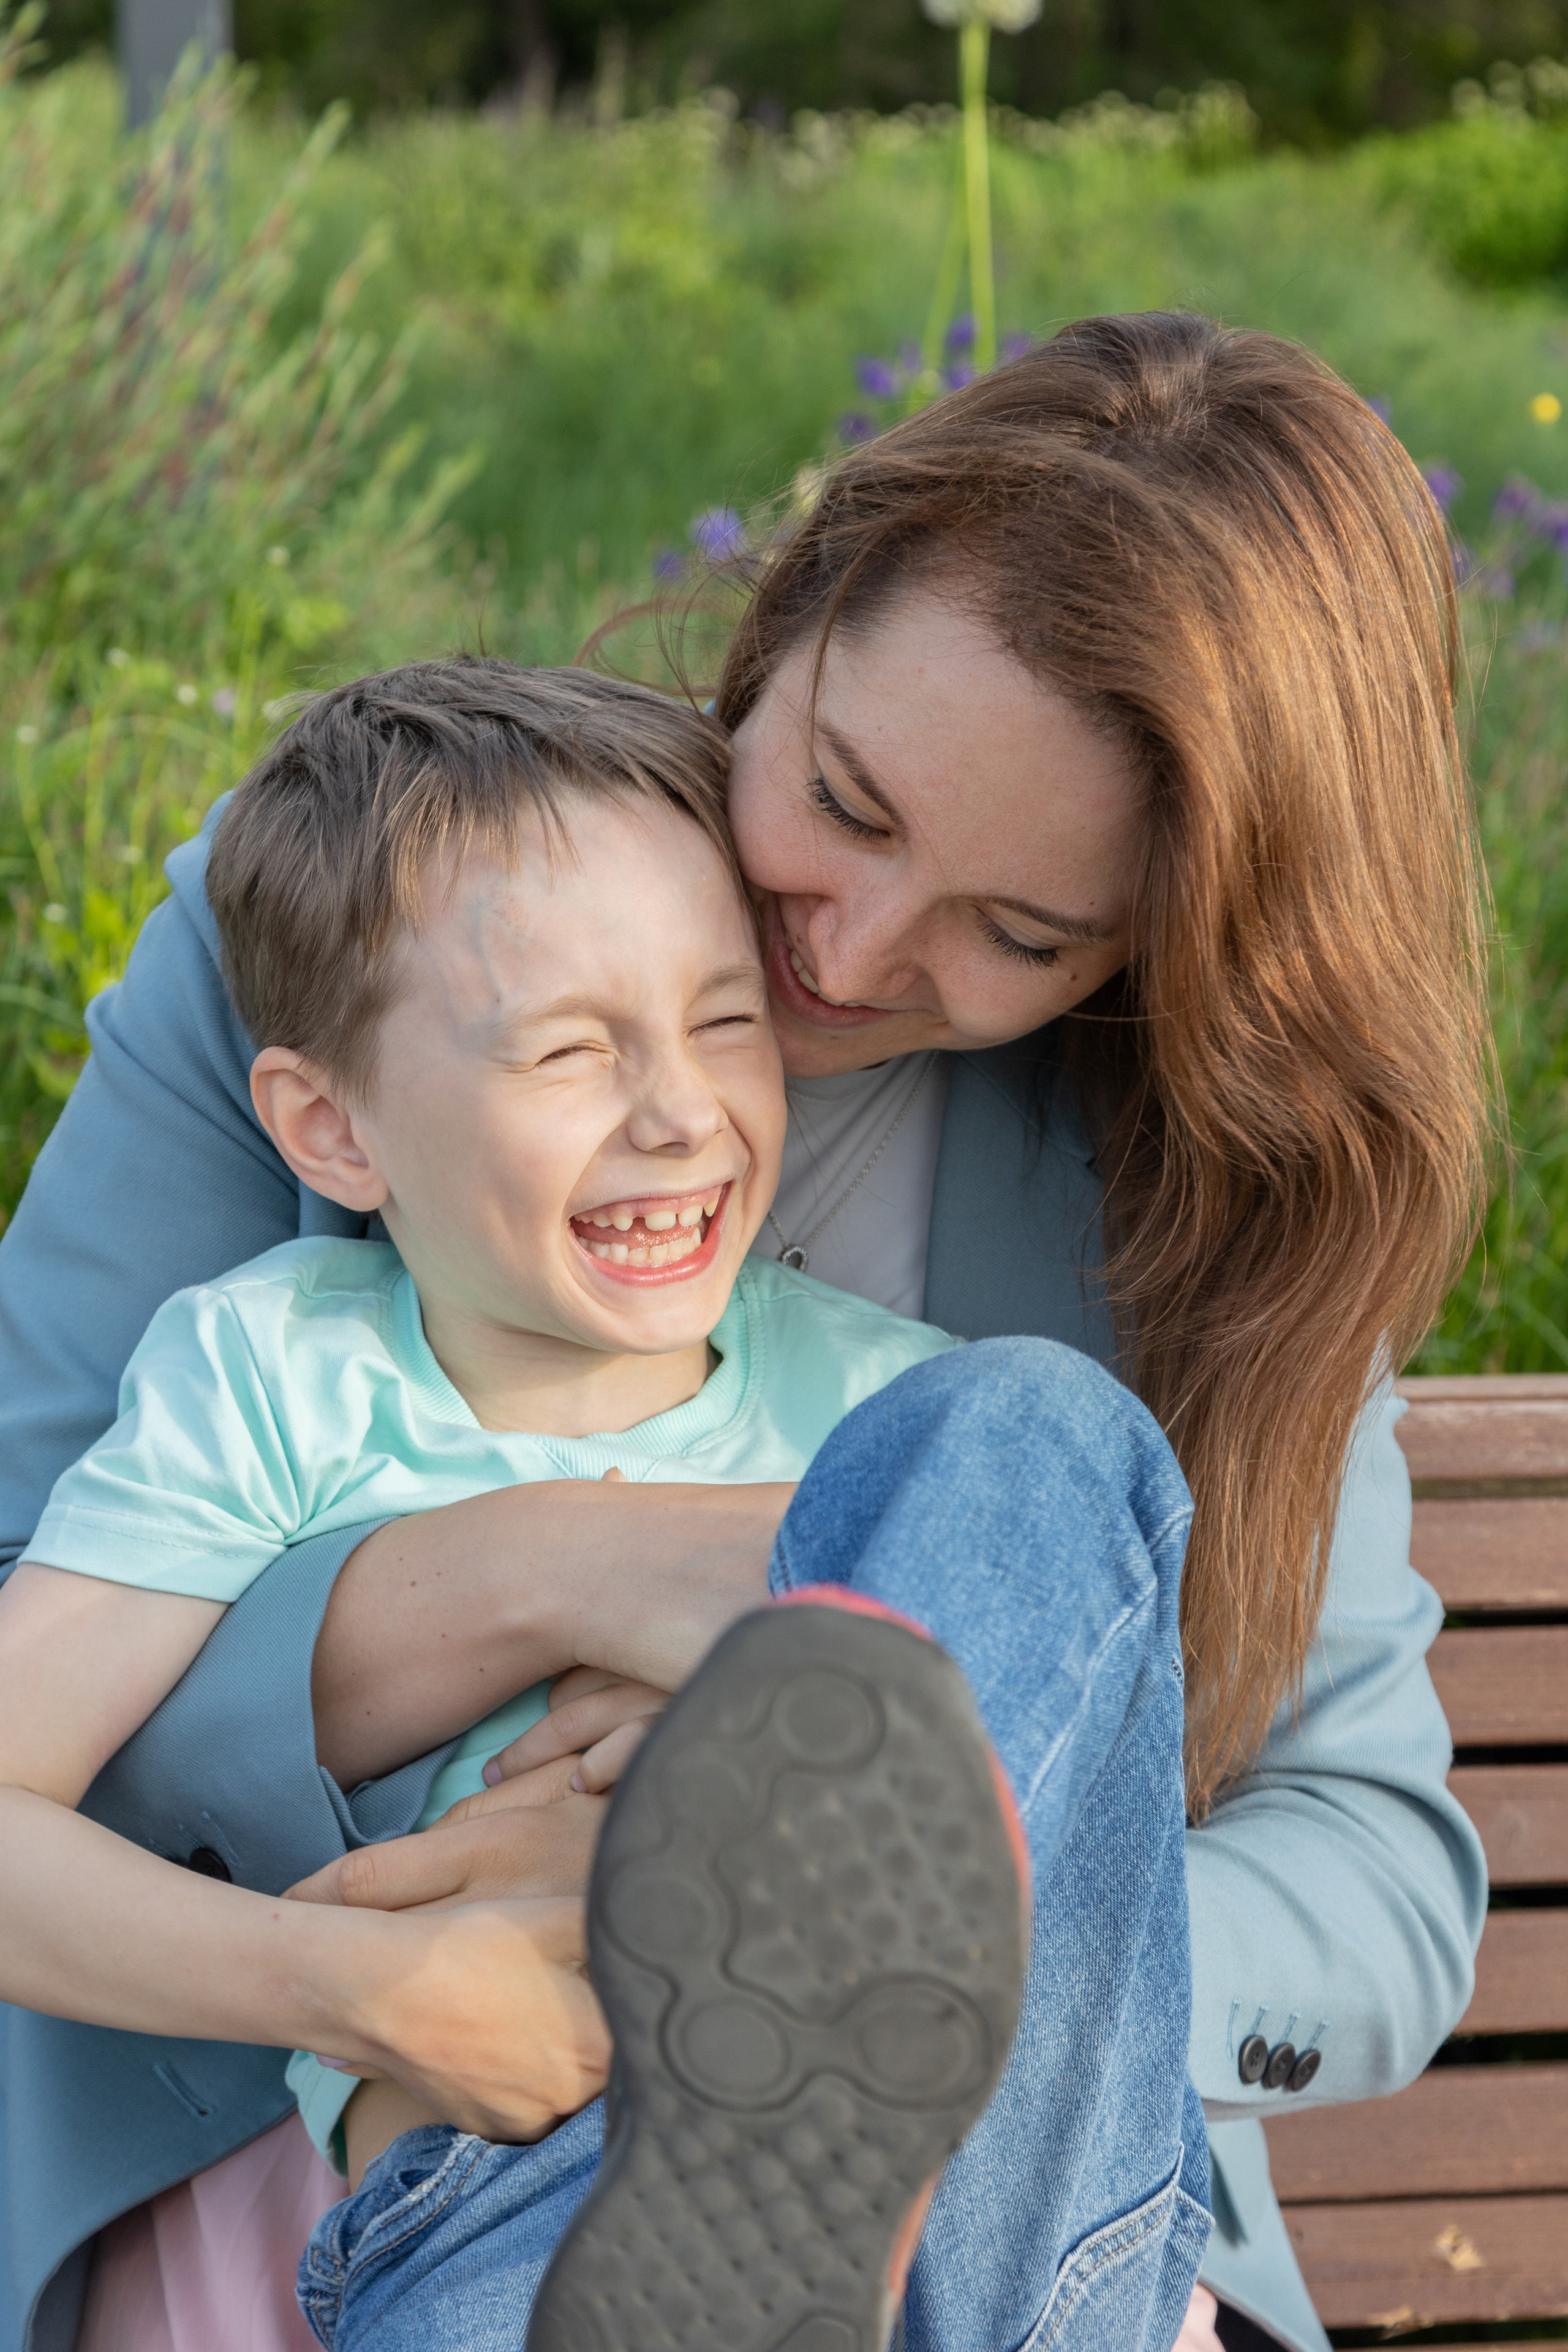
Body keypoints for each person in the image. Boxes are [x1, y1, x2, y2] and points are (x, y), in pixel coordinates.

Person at [0, 312, 1489, 2352]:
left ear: (1168, 941)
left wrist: (845, 1960)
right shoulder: (388, 932)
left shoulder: (1215, 1210)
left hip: (1020, 2182)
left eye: (1025, 934)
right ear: (793, 613)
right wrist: (553, 1572)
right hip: (411, 2128)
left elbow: (1375, 1874)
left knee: (1029, 1444)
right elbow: (39, 1643)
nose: (851, 954)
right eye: (845, 799)